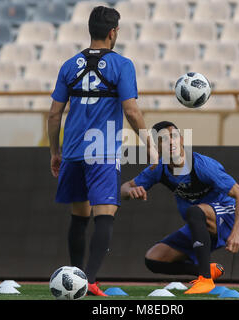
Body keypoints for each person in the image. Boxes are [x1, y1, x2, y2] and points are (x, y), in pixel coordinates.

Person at [47, 6, 157, 296]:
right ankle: (91, 280)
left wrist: (54, 152)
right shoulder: (123, 65)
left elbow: (54, 115)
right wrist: (151, 147)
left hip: (72, 152)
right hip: (103, 153)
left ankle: (74, 279)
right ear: (112, 32)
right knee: (104, 215)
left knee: (79, 217)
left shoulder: (69, 65)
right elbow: (132, 111)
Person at [121, 121, 239, 294]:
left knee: (195, 211)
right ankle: (205, 270)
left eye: (174, 136)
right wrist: (131, 190)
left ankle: (205, 280)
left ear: (181, 139)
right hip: (198, 223)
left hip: (226, 218)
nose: (171, 142)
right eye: (164, 140)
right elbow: (123, 189)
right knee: (153, 259)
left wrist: (236, 233)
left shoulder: (202, 165)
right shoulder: (158, 168)